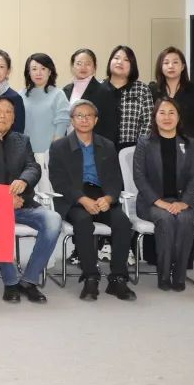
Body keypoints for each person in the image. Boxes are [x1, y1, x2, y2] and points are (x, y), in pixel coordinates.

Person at [0, 95, 61, 303]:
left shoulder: (22, 141)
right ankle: (10, 282)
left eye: (8, 112)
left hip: (23, 204)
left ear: (14, 118)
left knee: (53, 220)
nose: (3, 116)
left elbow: (32, 167)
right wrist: (2, 199)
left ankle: (29, 280)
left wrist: (24, 181)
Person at [48, 99, 136, 301]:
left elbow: (115, 179)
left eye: (89, 116)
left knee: (123, 222)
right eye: (79, 116)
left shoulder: (107, 145)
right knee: (83, 221)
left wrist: (109, 197)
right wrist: (82, 199)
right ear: (72, 120)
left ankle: (118, 278)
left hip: (102, 195)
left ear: (96, 120)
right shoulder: (59, 147)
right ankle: (90, 277)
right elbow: (58, 181)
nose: (84, 119)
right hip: (74, 197)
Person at [134, 97, 194, 292]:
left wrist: (184, 202)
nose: (166, 117)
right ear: (154, 117)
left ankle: (179, 275)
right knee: (165, 219)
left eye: (171, 113)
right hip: (152, 202)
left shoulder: (189, 143)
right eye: (162, 113)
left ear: (178, 117)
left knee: (185, 218)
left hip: (181, 201)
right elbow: (139, 178)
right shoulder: (145, 143)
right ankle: (164, 275)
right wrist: (159, 202)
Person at [62, 48, 118, 142]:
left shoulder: (105, 92)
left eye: (87, 64)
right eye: (79, 63)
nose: (83, 67)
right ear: (72, 67)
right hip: (68, 145)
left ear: (94, 67)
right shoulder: (65, 91)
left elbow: (110, 127)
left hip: (93, 145)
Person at [150, 46, 194, 140]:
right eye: (166, 63)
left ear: (182, 66)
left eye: (175, 62)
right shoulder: (152, 90)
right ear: (161, 67)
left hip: (187, 143)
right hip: (157, 142)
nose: (171, 66)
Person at [106, 45, 153, 150]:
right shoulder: (99, 88)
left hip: (131, 149)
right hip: (102, 148)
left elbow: (148, 122)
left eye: (126, 60)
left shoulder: (142, 89)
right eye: (116, 58)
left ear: (132, 66)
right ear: (110, 62)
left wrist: (140, 149)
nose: (120, 62)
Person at [22, 53, 70, 155]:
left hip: (49, 153)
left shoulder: (58, 94)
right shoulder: (21, 95)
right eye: (34, 69)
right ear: (29, 72)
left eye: (43, 68)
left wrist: (52, 151)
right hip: (25, 153)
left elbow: (62, 125)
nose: (38, 73)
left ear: (50, 71)